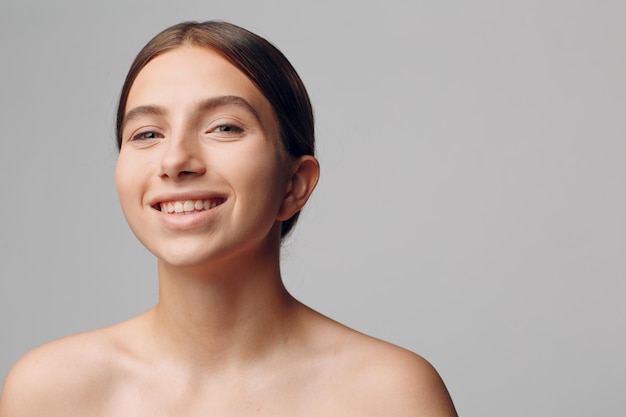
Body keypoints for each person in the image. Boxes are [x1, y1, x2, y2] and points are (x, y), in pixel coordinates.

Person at [0, 21, 457, 416]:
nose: (175, 159)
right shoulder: (49, 392)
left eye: (224, 126)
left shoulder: (390, 395)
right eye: (146, 133)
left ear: (294, 184)